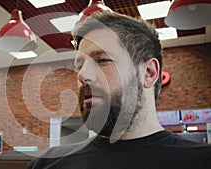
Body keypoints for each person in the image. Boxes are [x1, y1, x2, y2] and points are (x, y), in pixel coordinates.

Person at [26, 11, 211, 169]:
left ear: (148, 73)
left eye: (102, 60)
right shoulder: (48, 164)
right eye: (80, 65)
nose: (82, 75)